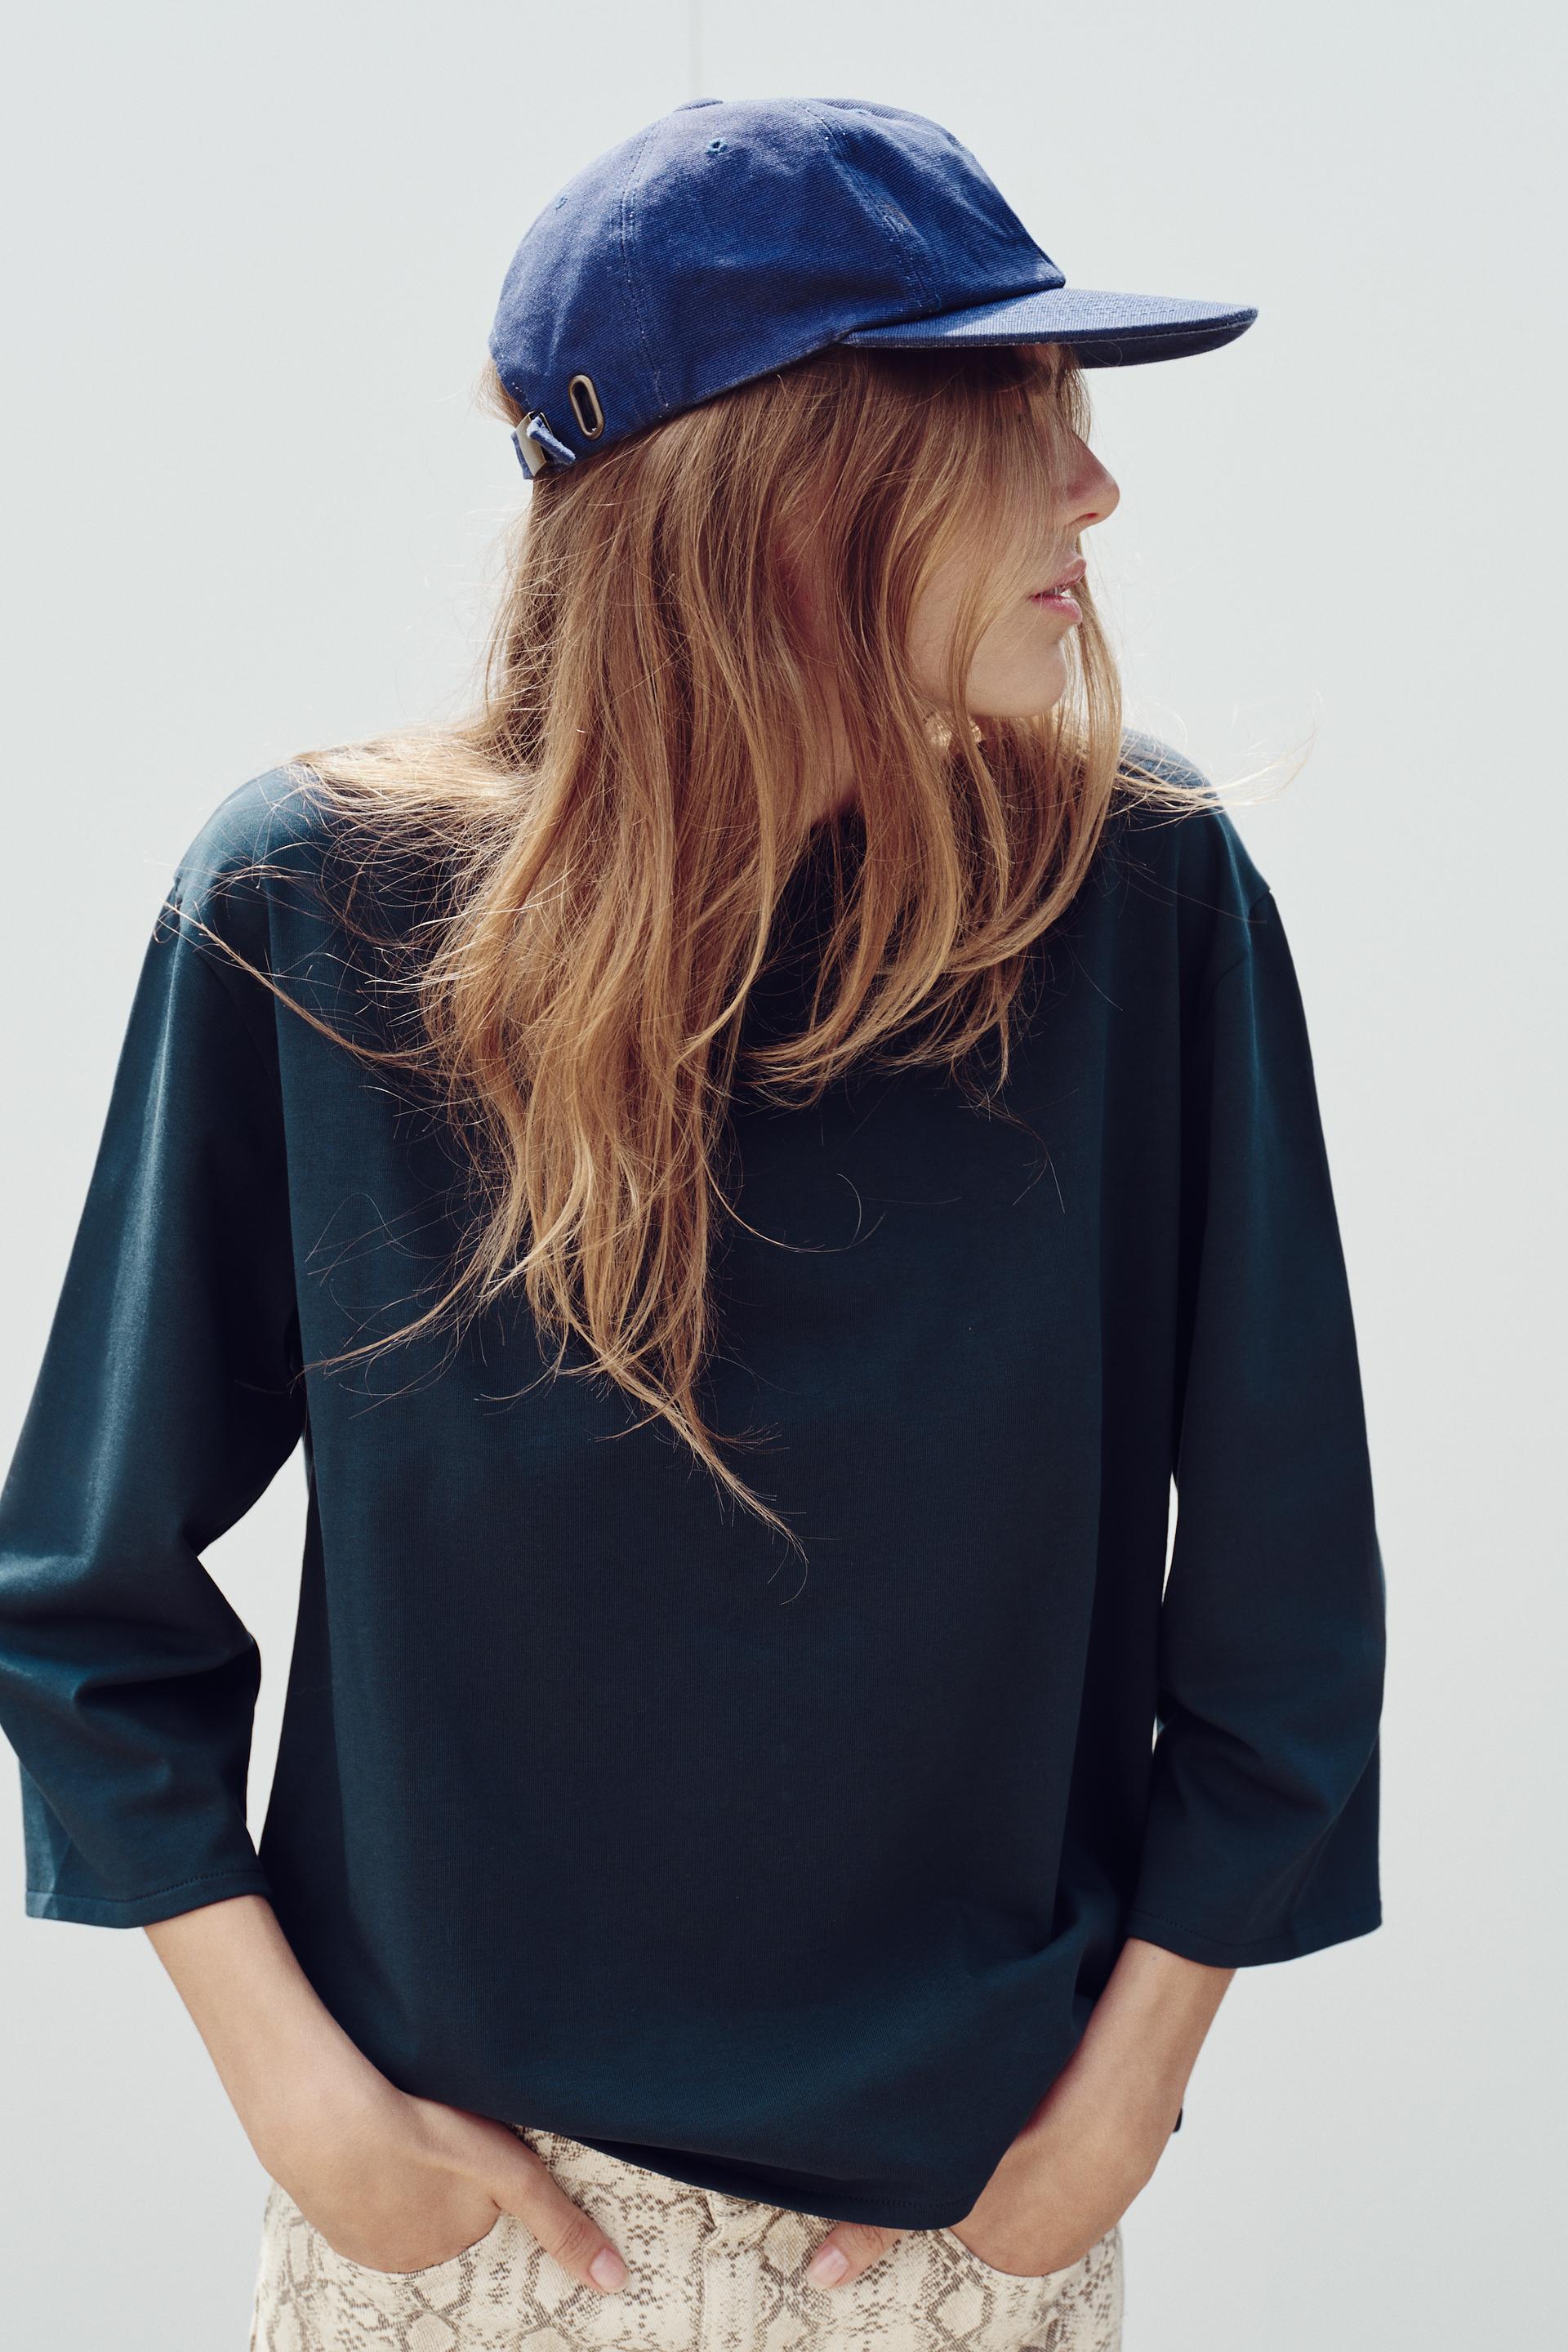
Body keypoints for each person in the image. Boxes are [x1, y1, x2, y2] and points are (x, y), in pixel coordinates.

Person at [0, 96, 1385, 2352]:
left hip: (956, 2253)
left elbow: (1284, 1609)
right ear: (790, 488)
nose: (1098, 490)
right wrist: (306, 2112)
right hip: (453, 2256)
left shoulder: (1140, 903)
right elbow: (81, 1600)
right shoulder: (315, 910)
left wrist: (1116, 2116)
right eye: (1020, 419)